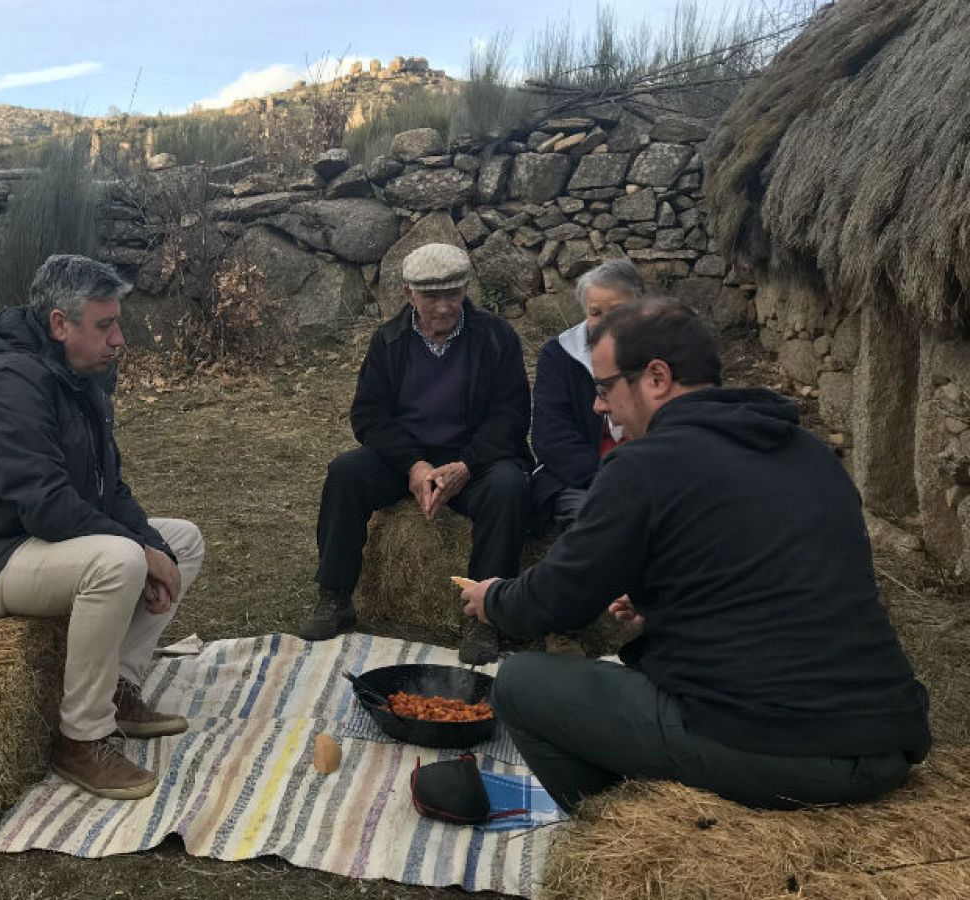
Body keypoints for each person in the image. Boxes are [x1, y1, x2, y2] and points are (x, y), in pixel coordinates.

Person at [459, 298, 932, 812]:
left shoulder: (642, 466)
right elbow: (778, 580)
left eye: (604, 388)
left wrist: (494, 597)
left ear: (656, 377)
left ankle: (618, 831)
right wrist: (666, 608)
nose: (598, 406)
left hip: (787, 748)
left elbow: (555, 601)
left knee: (524, 683)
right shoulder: (809, 451)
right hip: (887, 737)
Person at [0, 254, 205, 801]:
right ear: (58, 324)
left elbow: (108, 488)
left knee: (182, 541)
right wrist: (140, 553)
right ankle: (81, 739)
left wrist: (156, 547)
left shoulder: (77, 374)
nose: (119, 339)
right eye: (105, 325)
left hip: (31, 539)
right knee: (120, 560)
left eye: (117, 322)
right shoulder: (4, 382)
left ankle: (119, 686)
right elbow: (47, 506)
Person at [299, 242, 533, 664]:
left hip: (473, 459)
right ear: (408, 294)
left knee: (509, 487)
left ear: (465, 289)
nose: (444, 307)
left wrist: (466, 465)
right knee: (346, 473)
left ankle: (485, 616)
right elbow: (368, 415)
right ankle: (335, 595)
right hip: (406, 457)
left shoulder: (496, 337)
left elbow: (512, 416)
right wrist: (413, 464)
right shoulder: (388, 341)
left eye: (454, 294)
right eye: (431, 296)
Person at [530, 259, 645, 529]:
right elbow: (551, 437)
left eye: (618, 311)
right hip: (581, 480)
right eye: (596, 313)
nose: (606, 323)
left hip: (648, 473)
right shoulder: (559, 355)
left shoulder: (667, 349)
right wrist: (608, 480)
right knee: (601, 521)